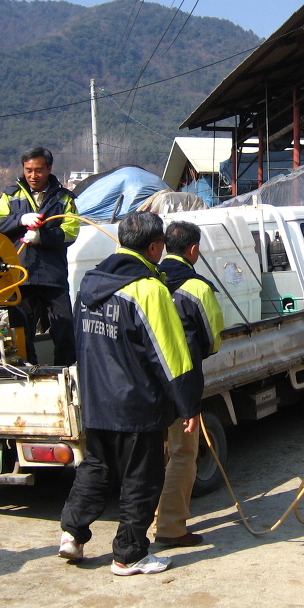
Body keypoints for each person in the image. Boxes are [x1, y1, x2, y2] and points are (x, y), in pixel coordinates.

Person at [59, 211, 201, 576]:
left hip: (96, 399)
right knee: (142, 478)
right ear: (154, 247)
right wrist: (187, 404)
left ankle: (72, 534)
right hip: (136, 404)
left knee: (96, 467)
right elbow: (170, 355)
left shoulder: (90, 283)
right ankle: (130, 554)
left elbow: (80, 343)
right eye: (160, 246)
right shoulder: (149, 290)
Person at [153, 220, 225, 549]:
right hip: (182, 383)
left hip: (146, 383)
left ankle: (150, 518)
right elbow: (212, 340)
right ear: (193, 249)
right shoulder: (197, 287)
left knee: (153, 455)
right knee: (182, 454)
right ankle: (170, 527)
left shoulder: (147, 279)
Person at [0, 146, 78, 366]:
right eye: (28, 170)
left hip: (52, 276)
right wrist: (19, 220)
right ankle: (27, 370)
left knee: (65, 328)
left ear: (49, 169)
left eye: (38, 170)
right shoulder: (11, 195)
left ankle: (64, 370)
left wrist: (42, 237)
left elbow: (71, 231)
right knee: (21, 330)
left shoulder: (64, 199)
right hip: (20, 276)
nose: (33, 175)